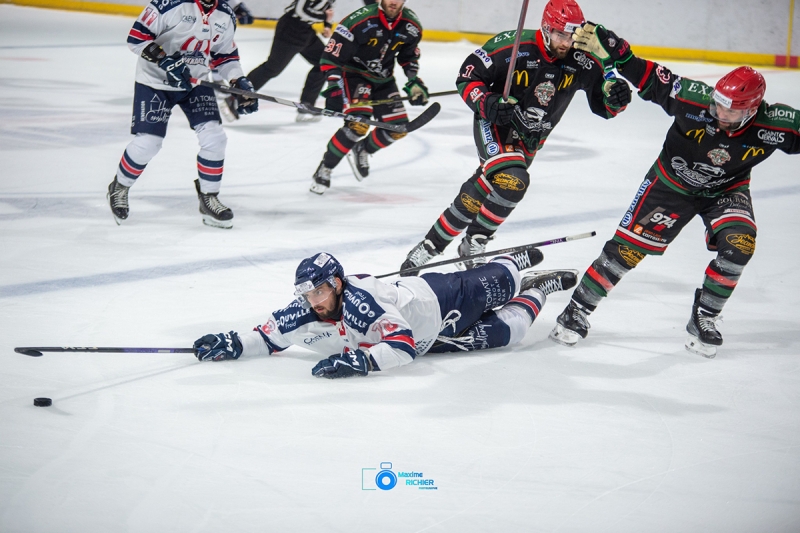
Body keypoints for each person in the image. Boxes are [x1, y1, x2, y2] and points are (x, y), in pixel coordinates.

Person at [548, 23, 800, 358]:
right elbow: (646, 75)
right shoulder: (693, 99)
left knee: (740, 246)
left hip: (727, 190)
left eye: (732, 110)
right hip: (670, 186)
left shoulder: (777, 124)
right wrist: (618, 50)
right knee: (625, 252)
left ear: (753, 111)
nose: (721, 113)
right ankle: (576, 310)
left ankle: (705, 318)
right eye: (719, 104)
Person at [398, 0, 632, 272]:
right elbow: (467, 77)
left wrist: (617, 97)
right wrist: (487, 102)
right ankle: (475, 240)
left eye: (571, 35)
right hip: (495, 124)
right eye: (559, 34)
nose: (565, 42)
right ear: (545, 28)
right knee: (514, 180)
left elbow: (603, 105)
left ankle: (430, 245)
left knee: (485, 186)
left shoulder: (580, 59)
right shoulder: (513, 46)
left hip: (531, 138)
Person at [193, 250, 578, 378]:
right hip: (434, 339)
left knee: (502, 280)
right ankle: (538, 288)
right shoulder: (305, 309)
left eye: (320, 291)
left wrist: (361, 363)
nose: (314, 302)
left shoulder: (362, 303)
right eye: (307, 294)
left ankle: (515, 265)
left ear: (338, 284)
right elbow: (266, 337)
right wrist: (233, 343)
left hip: (440, 299)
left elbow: (402, 345)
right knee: (511, 333)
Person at [108, 0, 258, 229]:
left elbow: (225, 56)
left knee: (215, 138)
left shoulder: (225, 14)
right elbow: (137, 38)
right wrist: (164, 59)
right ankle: (119, 186)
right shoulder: (169, 5)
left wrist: (239, 81)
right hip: (155, 82)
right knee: (149, 143)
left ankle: (209, 198)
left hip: (196, 83)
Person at [310, 0, 430, 194]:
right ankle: (326, 167)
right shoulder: (359, 21)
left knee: (398, 129)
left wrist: (414, 82)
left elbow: (408, 57)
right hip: (355, 75)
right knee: (358, 125)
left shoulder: (412, 25)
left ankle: (363, 149)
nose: (394, 2)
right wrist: (333, 86)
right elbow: (330, 57)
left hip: (384, 80)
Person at [222, 0, 336, 123]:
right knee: (272, 68)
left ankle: (307, 104)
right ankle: (236, 97)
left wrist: (327, 25)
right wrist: (324, 17)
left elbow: (328, 9)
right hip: (291, 29)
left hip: (306, 31)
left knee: (324, 63)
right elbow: (301, 9)